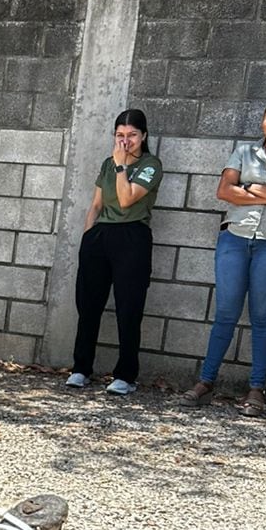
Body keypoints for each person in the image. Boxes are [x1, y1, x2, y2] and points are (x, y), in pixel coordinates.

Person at [183, 98, 266, 417]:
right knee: (225, 313)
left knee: (263, 317)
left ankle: (256, 389)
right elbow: (223, 191)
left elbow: (236, 190)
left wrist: (247, 187)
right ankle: (206, 382)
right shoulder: (243, 152)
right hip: (234, 240)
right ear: (263, 121)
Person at [65, 108, 163, 396]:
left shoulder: (150, 165)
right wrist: (88, 236)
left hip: (132, 235)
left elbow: (125, 199)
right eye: (120, 135)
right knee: (88, 304)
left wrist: (122, 166)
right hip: (101, 236)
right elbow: (96, 204)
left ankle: (125, 375)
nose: (125, 141)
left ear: (144, 136)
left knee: (129, 308)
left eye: (132, 135)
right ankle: (81, 368)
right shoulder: (108, 164)